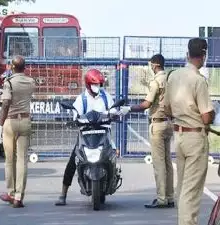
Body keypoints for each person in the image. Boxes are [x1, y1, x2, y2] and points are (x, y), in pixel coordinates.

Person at [163, 38, 214, 225]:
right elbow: (207, 117)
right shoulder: (199, 80)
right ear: (204, 56)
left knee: (183, 186)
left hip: (180, 137)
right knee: (191, 192)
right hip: (195, 138)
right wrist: (212, 112)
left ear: (187, 54)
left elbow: (166, 109)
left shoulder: (174, 76)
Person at [54, 69, 118, 206]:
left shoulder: (106, 96)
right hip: (86, 134)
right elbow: (76, 114)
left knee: (112, 155)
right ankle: (63, 194)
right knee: (73, 161)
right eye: (95, 84)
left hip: (103, 133)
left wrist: (113, 114)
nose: (98, 87)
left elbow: (113, 110)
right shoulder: (81, 99)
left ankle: (111, 179)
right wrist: (76, 119)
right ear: (88, 84)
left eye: (100, 84)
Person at [119, 54, 174, 208]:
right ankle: (169, 197)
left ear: (155, 65)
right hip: (169, 123)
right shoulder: (170, 80)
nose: (150, 67)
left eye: (151, 65)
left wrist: (128, 109)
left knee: (159, 163)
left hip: (157, 124)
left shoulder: (156, 81)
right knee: (168, 162)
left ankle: (161, 198)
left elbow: (147, 104)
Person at [0, 55, 36, 208]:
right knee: (22, 160)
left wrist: (1, 123)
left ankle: (11, 192)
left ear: (12, 67)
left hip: (11, 121)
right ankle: (19, 196)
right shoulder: (30, 82)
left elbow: (6, 103)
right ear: (24, 67)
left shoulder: (9, 83)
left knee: (9, 160)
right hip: (25, 120)